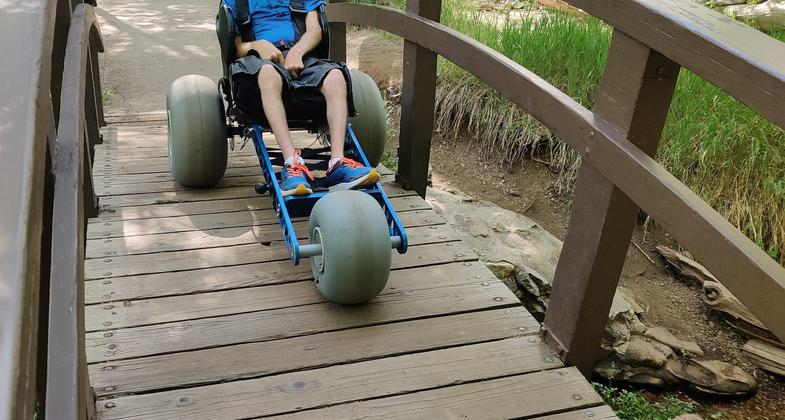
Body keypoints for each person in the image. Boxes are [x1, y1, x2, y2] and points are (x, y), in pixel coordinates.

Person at [222, 0, 379, 196]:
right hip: (258, 64)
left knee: (335, 76)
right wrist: (257, 45)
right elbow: (235, 47)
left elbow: (315, 30)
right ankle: (292, 163)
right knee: (268, 74)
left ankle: (337, 161)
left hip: (301, 56)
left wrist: (297, 52)